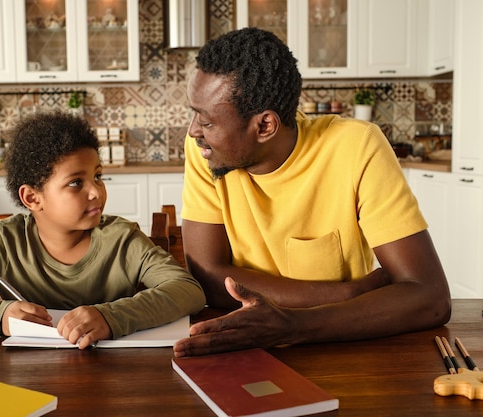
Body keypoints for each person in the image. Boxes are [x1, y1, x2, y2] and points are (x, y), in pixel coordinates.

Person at [172, 28, 451, 358]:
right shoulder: (207, 153)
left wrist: (293, 326)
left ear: (264, 126)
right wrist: (348, 294)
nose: (193, 132)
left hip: (346, 354)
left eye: (206, 121)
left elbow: (429, 297)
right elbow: (207, 276)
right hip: (244, 348)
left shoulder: (356, 147)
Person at [0, 110, 205, 349]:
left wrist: (111, 316)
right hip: (30, 379)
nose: (96, 192)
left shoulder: (122, 239)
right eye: (76, 182)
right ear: (32, 198)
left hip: (114, 379)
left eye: (98, 176)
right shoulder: (5, 241)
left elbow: (188, 291)